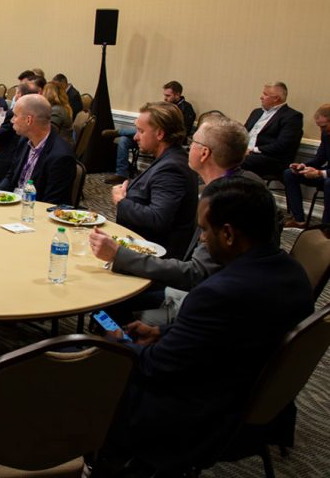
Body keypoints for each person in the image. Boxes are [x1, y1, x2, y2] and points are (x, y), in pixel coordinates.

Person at [95, 176, 313, 475]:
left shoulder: (218, 292)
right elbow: (235, 333)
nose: (200, 238)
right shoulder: (293, 273)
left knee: (90, 373)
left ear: (228, 234)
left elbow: (155, 367)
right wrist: (163, 332)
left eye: (204, 230)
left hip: (204, 415)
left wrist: (117, 343)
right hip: (255, 399)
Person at [89, 115, 258, 320]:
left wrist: (119, 255)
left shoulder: (225, 200)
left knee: (108, 305)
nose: (187, 147)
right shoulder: (246, 183)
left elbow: (195, 274)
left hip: (215, 305)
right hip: (229, 291)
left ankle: (119, 346)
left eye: (193, 142)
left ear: (204, 153)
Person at [112, 102, 199, 258]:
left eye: (141, 131)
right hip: (143, 247)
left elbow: (157, 218)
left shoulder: (172, 168)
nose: (135, 137)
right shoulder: (170, 158)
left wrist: (121, 201)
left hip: (153, 256)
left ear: (159, 134)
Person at [0, 94, 76, 205]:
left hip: (34, 212)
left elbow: (50, 204)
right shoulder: (24, 141)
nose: (12, 120)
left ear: (29, 120)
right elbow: (11, 176)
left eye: (15, 116)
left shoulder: (60, 157)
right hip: (15, 203)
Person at [241, 81, 304, 177]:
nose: (261, 97)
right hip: (246, 153)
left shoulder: (292, 116)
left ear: (276, 98)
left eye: (265, 94)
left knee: (236, 161)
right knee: (217, 155)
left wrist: (252, 150)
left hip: (270, 158)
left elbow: (283, 145)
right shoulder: (256, 112)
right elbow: (242, 133)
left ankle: (235, 189)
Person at [283, 104, 330, 228]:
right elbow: (320, 158)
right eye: (320, 127)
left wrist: (320, 173)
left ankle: (326, 228)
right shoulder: (326, 135)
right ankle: (299, 220)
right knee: (290, 174)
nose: (322, 131)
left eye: (324, 126)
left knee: (329, 183)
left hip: (328, 177)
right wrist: (303, 165)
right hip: (326, 174)